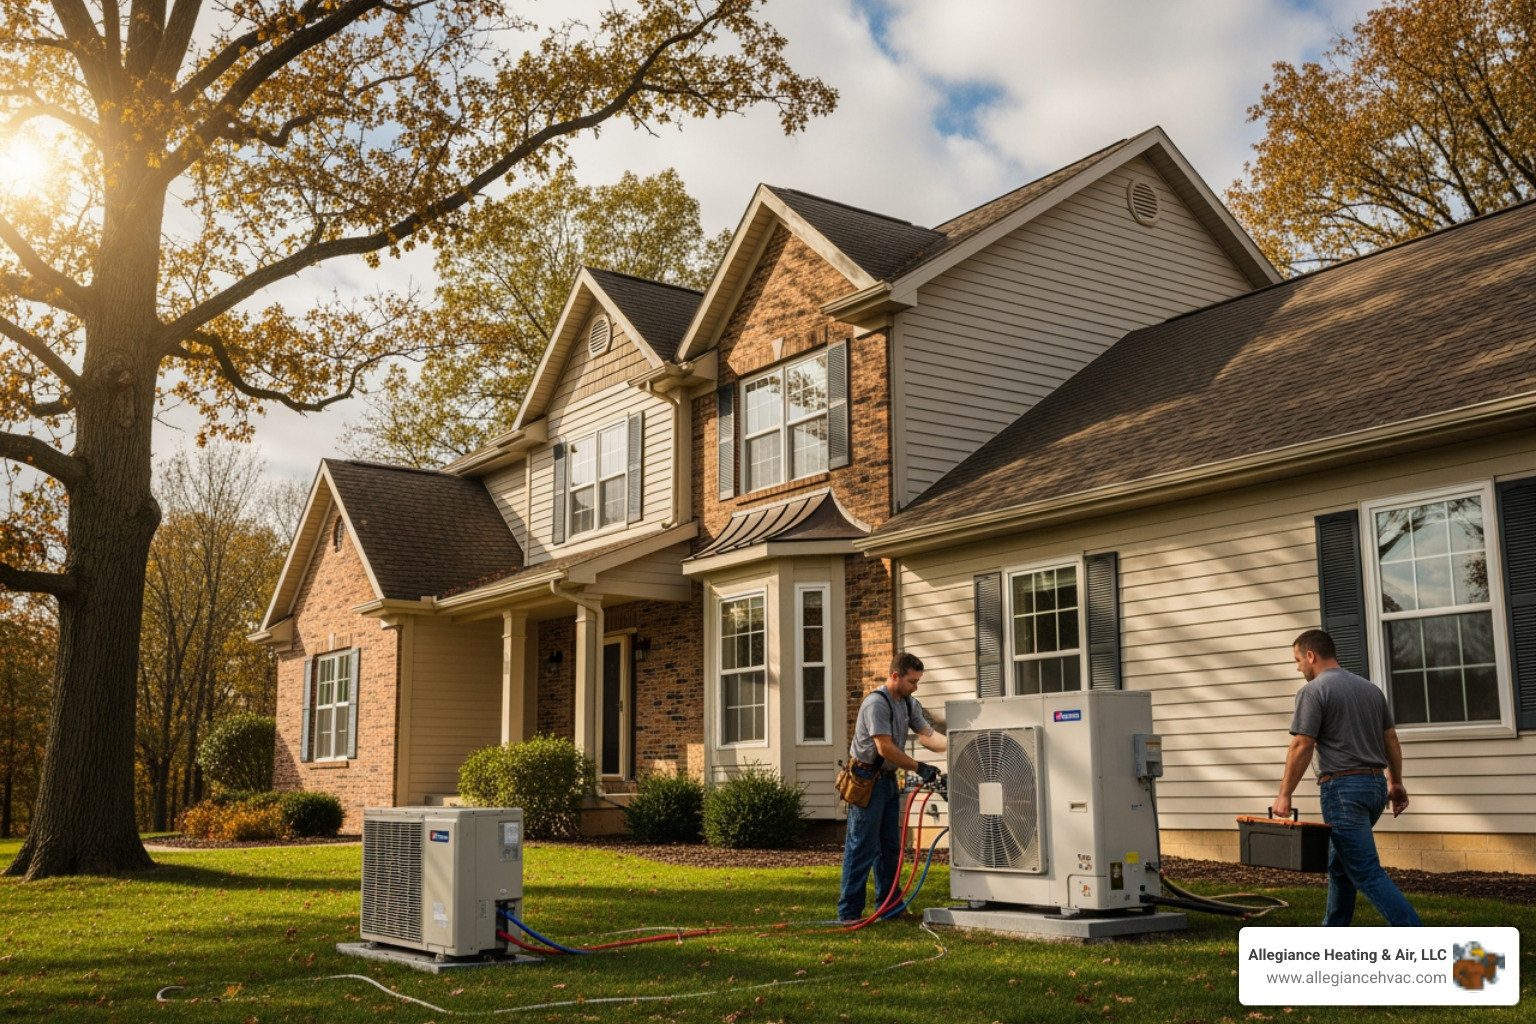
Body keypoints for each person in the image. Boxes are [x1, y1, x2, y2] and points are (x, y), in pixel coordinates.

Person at [1274, 629, 1421, 927]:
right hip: (1375, 787)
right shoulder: (1370, 689)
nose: (1298, 667)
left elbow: (1303, 744)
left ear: (1311, 656)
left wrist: (1284, 794)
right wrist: (1395, 782)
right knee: (1341, 866)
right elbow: (1390, 738)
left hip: (1344, 791)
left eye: (1298, 660)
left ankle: (1418, 938)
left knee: (1365, 870)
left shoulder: (1313, 691)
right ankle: (1333, 935)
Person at [837, 651, 947, 923]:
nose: (915, 686)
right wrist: (919, 767)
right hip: (866, 780)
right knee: (861, 847)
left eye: (918, 681)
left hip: (887, 784)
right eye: (912, 681)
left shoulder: (908, 703)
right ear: (895, 676)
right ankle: (849, 914)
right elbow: (884, 747)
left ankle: (889, 909)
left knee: (889, 849)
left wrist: (959, 744)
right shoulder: (877, 703)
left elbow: (927, 735)